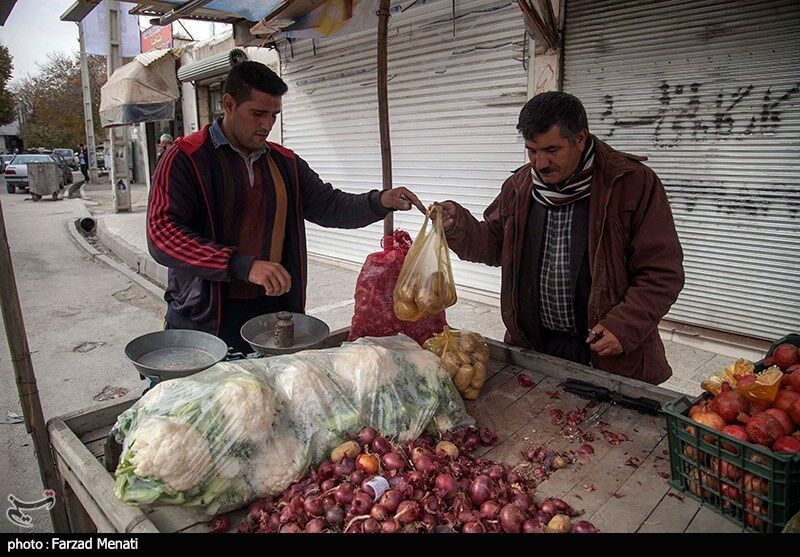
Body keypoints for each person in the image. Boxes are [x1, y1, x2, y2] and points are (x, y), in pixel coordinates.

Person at [147, 61, 424, 353]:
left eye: (274, 115)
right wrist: (242, 265)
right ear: (228, 104)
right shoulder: (186, 158)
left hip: (273, 313)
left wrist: (380, 201)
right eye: (257, 113)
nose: (267, 125)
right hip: (205, 317)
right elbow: (162, 235)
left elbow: (329, 205)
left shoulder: (285, 163)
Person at [440, 92, 684, 384]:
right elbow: (495, 245)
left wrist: (625, 325)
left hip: (606, 355)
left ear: (580, 138)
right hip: (535, 346)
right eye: (532, 151)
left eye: (551, 150)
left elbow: (662, 273)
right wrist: (458, 226)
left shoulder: (632, 184)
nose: (540, 163)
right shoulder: (519, 186)